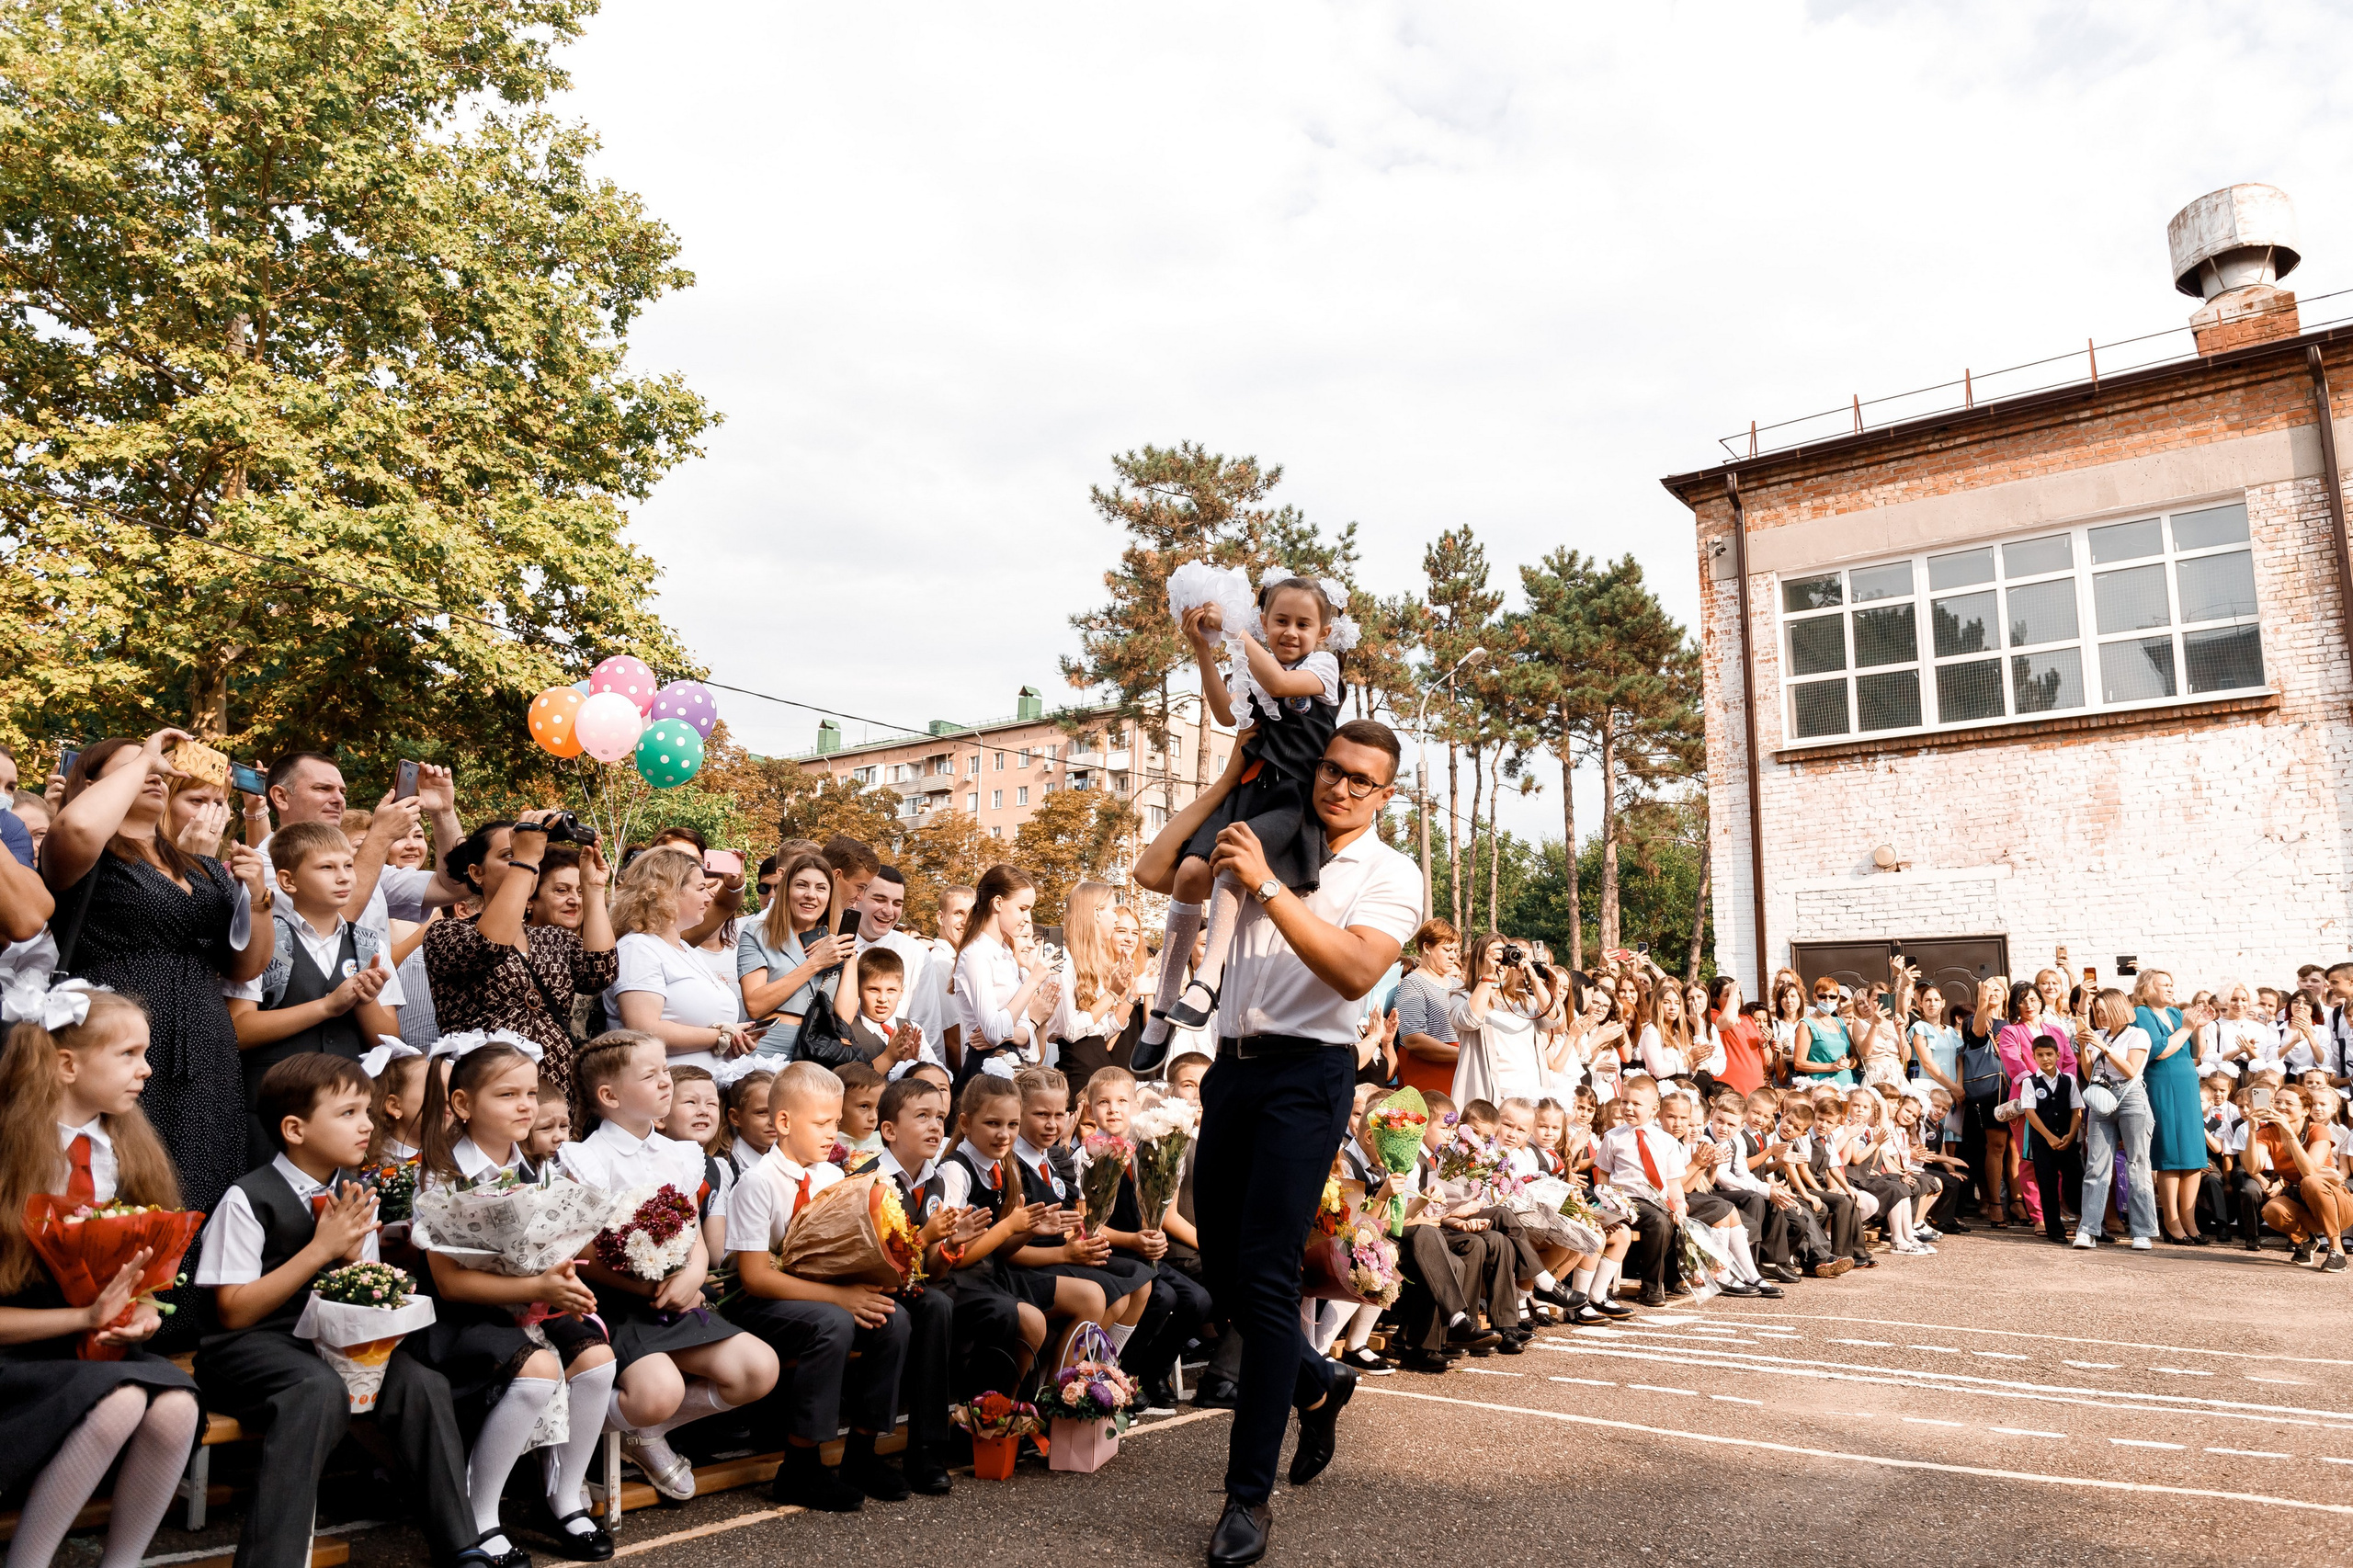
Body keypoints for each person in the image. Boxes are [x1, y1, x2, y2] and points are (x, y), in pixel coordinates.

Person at [1132, 717, 1420, 1567]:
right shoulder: (1269, 827)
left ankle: (1245, 1501)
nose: (1337, 786)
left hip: (1310, 1074)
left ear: (1385, 794)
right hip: (1233, 1067)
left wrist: (1264, 888)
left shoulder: (1389, 872)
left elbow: (1355, 972)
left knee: (1264, 1279)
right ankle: (1315, 1379)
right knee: (1222, 1269)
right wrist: (1229, 778)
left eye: (1359, 780)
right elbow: (1155, 870)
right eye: (1331, 769)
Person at [192, 1053, 478, 1568]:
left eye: (367, 1111)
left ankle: (460, 1544)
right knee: (317, 1389)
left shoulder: (354, 1191)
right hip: (250, 1348)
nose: (367, 1124)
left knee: (421, 1384)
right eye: (348, 1113)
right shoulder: (248, 1198)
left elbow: (356, 1296)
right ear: (295, 1129)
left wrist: (354, 1270)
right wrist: (321, 1251)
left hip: (330, 1341)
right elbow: (233, 1312)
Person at [0, 976, 203, 1568]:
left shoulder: (124, 1146)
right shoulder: (11, 1156)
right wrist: (84, 1316)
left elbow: (139, 1280)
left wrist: (140, 1310)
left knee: (177, 1408)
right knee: (116, 1402)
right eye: (129, 1054)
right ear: (66, 1065)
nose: (146, 1069)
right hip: (20, 1353)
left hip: (86, 1349)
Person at [43, 731, 275, 1225]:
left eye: (157, 767)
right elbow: (79, 826)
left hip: (204, 1040)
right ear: (94, 785)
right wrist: (147, 752)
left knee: (203, 1183)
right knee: (132, 1183)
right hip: (116, 1035)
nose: (153, 772)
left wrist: (258, 897)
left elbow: (247, 966)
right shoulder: (87, 851)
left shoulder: (194, 862)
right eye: (135, 767)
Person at [409, 1033, 620, 1563]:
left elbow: (549, 1243)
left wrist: (562, 1279)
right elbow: (452, 1283)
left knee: (596, 1359)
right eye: (508, 1095)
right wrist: (539, 1288)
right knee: (539, 1369)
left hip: (530, 1299)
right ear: (462, 1104)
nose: (526, 1106)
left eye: (531, 1093)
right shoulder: (441, 1174)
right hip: (461, 1314)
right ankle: (480, 1513)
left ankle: (565, 1496)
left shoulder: (539, 1165)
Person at [558, 1032, 778, 1503]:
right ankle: (566, 1449)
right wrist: (649, 1288)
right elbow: (584, 1253)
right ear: (610, 1096)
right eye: (651, 1075)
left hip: (678, 1292)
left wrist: (694, 1275)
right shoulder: (584, 1159)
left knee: (759, 1369)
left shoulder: (678, 1153)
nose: (665, 1083)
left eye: (665, 1071)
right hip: (615, 1303)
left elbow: (693, 1233)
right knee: (658, 1391)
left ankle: (646, 1434)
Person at [1142, 574, 1349, 1052]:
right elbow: (1223, 713)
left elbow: (1279, 683)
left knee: (1237, 856)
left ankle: (1208, 978)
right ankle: (1164, 1005)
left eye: (1304, 623)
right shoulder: (1254, 660)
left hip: (1293, 798)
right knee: (1192, 871)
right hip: (1250, 788)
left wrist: (1236, 633)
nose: (1291, 632)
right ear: (1264, 621)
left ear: (1322, 633)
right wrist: (1203, 648)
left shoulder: (1323, 666)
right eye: (1280, 621)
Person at [723, 1060, 920, 1510]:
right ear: (784, 1122)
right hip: (765, 1301)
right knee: (832, 1323)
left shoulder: (834, 1177)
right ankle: (800, 1465)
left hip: (822, 1296)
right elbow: (755, 1278)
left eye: (835, 1121)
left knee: (895, 1320)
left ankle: (861, 1454)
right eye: (821, 1122)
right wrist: (841, 1297)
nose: (833, 1132)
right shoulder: (757, 1183)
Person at [226, 821, 399, 1161]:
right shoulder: (263, 938)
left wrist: (364, 1000)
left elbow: (389, 1041)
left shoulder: (369, 945)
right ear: (288, 881)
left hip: (348, 1115)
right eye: (326, 867)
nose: (344, 876)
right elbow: (236, 1029)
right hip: (272, 1115)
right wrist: (327, 1006)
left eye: (348, 864)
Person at [423, 813, 616, 1104]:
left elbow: (600, 974)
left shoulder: (552, 936)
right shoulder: (445, 932)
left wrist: (594, 888)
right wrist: (524, 862)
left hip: (557, 1098)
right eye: (509, 855)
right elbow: (487, 947)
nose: (526, 863)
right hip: (489, 1095)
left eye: (529, 857)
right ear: (477, 873)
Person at [606, 847, 756, 1074]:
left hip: (705, 1088)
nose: (708, 898)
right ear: (669, 892)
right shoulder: (637, 948)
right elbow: (644, 1030)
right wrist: (722, 1036)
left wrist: (736, 1041)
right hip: (668, 1088)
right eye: (701, 888)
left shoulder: (684, 947)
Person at [736, 851, 853, 1061]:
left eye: (821, 888)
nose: (810, 894)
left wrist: (848, 952)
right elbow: (755, 1005)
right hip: (767, 1048)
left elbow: (845, 1015)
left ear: (829, 898)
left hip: (818, 1051)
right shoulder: (756, 933)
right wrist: (815, 963)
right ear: (786, 890)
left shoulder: (834, 943)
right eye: (801, 885)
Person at [949, 865, 1057, 1083]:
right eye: (1022, 908)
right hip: (985, 1072)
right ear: (998, 903)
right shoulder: (976, 954)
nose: (1028, 918)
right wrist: (1033, 980)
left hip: (1012, 1067)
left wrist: (1007, 1034)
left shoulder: (1006, 954)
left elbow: (1026, 1030)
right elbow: (992, 1031)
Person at [2074, 989, 2157, 1251]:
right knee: (2096, 1165)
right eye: (2096, 1011)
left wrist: (2103, 1047)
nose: (2099, 1016)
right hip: (2101, 1097)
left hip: (2131, 1096)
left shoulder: (2138, 1033)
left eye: (2102, 1011)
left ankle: (2142, 1231)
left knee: (2137, 1164)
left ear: (2116, 1008)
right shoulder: (2098, 1035)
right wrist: (2086, 1049)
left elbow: (2131, 1069)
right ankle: (2088, 1230)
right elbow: (2088, 1073)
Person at [2132, 970, 2211, 1246]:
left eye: (2171, 984)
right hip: (2162, 1084)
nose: (2169, 988)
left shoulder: (2178, 1015)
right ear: (2147, 988)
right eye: (2163, 984)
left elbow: (2196, 1053)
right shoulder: (2142, 1013)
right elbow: (2160, 1050)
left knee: (2192, 1156)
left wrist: (2198, 1026)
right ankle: (2171, 1222)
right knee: (2170, 1154)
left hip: (2187, 1084)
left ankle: (2189, 1222)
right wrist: (2188, 1028)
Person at [1449, 934, 1563, 1106]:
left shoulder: (1525, 999)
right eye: (1494, 955)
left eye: (1504, 954)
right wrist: (1488, 975)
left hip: (1530, 1092)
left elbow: (1553, 1020)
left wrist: (1532, 978)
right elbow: (1469, 1020)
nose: (1500, 961)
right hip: (1491, 1093)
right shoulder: (1463, 996)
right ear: (1479, 960)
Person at [1045, 881, 1136, 1088]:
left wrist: (1129, 992)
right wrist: (1112, 993)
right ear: (1096, 913)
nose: (1115, 918)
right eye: (1112, 910)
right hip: (1077, 1068)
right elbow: (1071, 1030)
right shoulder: (1059, 954)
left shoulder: (1094, 960)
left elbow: (1106, 1028)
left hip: (1100, 1065)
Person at [1392, 920, 1461, 1097]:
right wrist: (1462, 1054)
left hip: (1458, 1076)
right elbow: (1413, 1040)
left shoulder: (1458, 984)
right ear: (1427, 947)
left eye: (1455, 950)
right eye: (1447, 950)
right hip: (1428, 1080)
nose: (1453, 956)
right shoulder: (1413, 984)